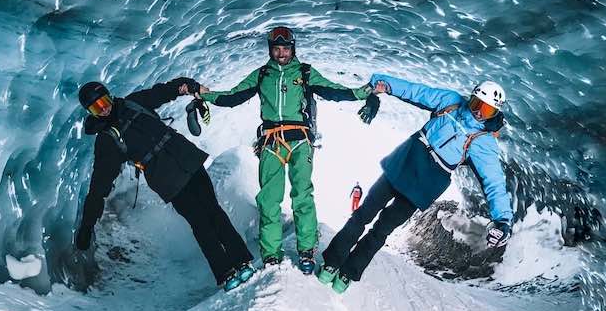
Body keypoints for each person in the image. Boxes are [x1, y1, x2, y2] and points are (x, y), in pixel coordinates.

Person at [195, 26, 379, 274]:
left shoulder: (304, 73)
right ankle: (271, 254)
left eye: (285, 48)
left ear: (293, 48)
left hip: (300, 142)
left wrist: (363, 92)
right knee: (268, 200)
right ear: (270, 50)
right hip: (271, 143)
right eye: (276, 49)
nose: (281, 53)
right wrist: (204, 96)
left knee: (302, 196)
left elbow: (333, 90)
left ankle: (306, 251)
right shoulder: (262, 75)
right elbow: (233, 96)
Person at [317, 76, 513, 293]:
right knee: (362, 214)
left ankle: (348, 272)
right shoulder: (452, 101)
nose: (478, 113)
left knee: (382, 230)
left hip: (425, 184)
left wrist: (503, 220)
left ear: (495, 113)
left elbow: (494, 182)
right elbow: (418, 92)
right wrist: (385, 84)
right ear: (471, 98)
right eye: (477, 104)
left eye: (486, 110)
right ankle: (331, 262)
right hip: (404, 162)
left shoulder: (484, 142)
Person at [75, 78, 254, 292]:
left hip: (187, 160)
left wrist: (189, 86)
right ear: (91, 113)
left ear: (109, 96)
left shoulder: (134, 103)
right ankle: (225, 272)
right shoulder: (107, 140)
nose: (104, 109)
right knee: (200, 223)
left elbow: (164, 91)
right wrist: (87, 226)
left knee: (214, 211)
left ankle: (242, 261)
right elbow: (98, 187)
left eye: (104, 102)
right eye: (96, 108)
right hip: (167, 179)